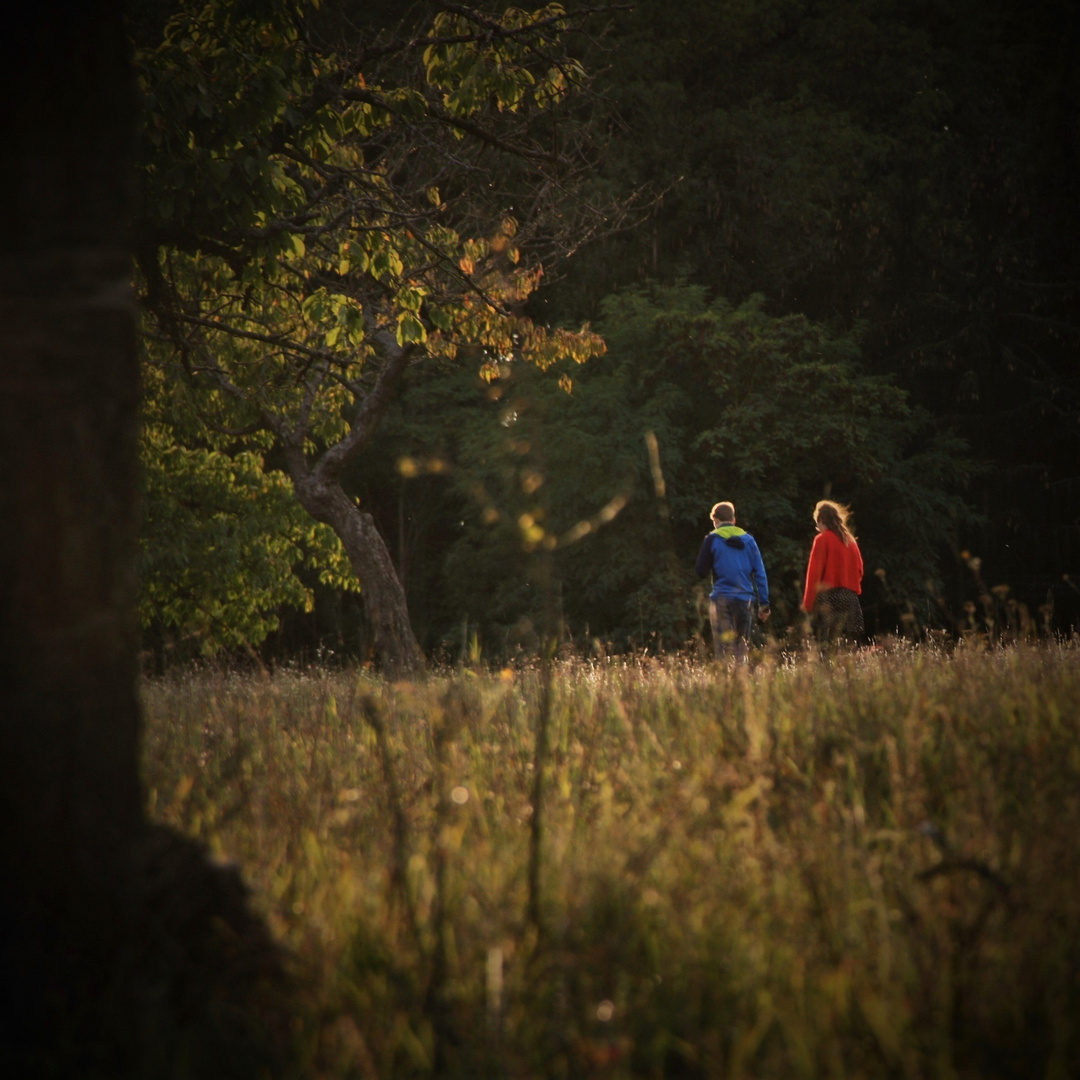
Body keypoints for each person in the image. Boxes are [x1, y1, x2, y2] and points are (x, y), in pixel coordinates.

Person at [695, 501, 770, 661]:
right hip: (744, 600)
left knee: (722, 649)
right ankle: (741, 682)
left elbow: (700, 571)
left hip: (721, 599)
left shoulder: (712, 539)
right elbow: (760, 573)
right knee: (740, 648)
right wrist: (764, 603)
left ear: (715, 521)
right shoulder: (749, 541)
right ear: (734, 520)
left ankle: (725, 683)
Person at [801, 499, 864, 641]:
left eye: (817, 523)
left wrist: (808, 603)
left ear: (822, 520)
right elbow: (860, 570)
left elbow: (814, 575)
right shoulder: (851, 541)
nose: (817, 527)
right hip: (851, 598)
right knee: (847, 646)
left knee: (825, 646)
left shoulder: (822, 539)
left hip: (829, 598)